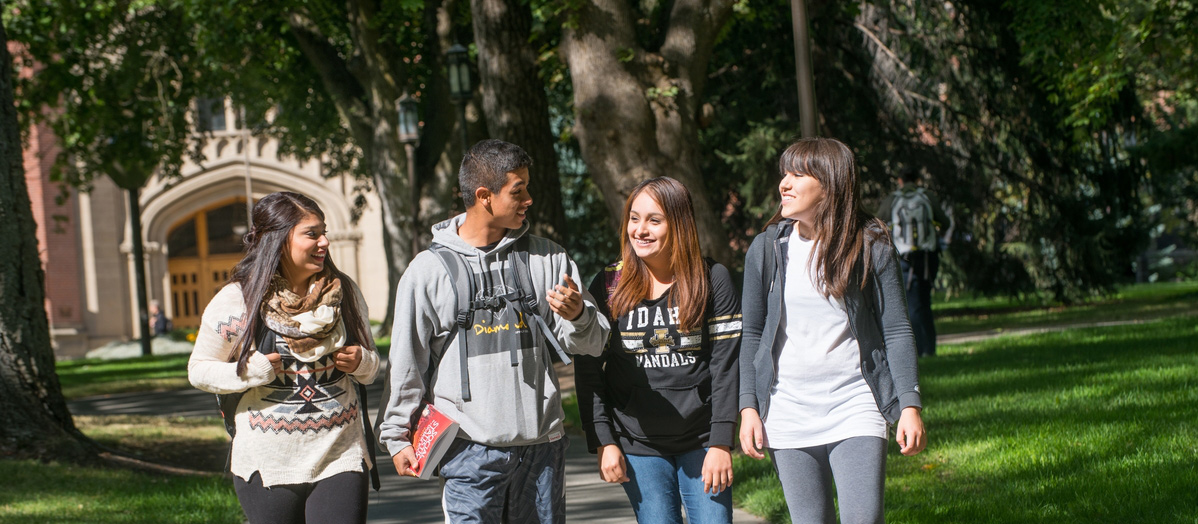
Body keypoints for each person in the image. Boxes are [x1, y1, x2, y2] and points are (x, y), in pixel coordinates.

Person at [379, 139, 610, 523]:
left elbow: (594, 342)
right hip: (467, 451)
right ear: (484, 196)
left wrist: (579, 315)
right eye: (518, 191)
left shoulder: (549, 258)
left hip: (542, 450)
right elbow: (407, 361)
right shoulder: (427, 271)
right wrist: (395, 436)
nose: (529, 199)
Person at [738, 138, 926, 524]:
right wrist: (748, 408)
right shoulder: (767, 249)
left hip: (855, 403)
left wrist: (909, 404)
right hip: (787, 408)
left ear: (830, 185)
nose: (784, 184)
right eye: (783, 174)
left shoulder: (870, 245)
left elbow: (897, 330)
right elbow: (753, 334)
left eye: (797, 174)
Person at [188, 191, 381, 524]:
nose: (324, 242)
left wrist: (362, 361)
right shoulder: (237, 301)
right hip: (267, 461)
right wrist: (249, 371)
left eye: (324, 233)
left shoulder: (344, 293)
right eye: (312, 233)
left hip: (340, 453)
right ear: (277, 240)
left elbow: (372, 367)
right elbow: (199, 370)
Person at [576, 177, 741, 524]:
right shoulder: (609, 283)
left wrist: (722, 441)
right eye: (634, 219)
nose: (640, 230)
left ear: (679, 224)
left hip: (702, 438)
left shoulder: (713, 279)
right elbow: (589, 368)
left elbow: (727, 366)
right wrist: (603, 440)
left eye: (654, 220)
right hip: (637, 443)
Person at [876, 168, 952, 357]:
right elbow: (946, 222)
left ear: (900, 180)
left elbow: (877, 223)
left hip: (903, 257)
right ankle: (928, 348)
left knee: (910, 303)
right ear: (917, 180)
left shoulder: (892, 199)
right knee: (923, 301)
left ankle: (920, 350)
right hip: (927, 258)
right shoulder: (926, 196)